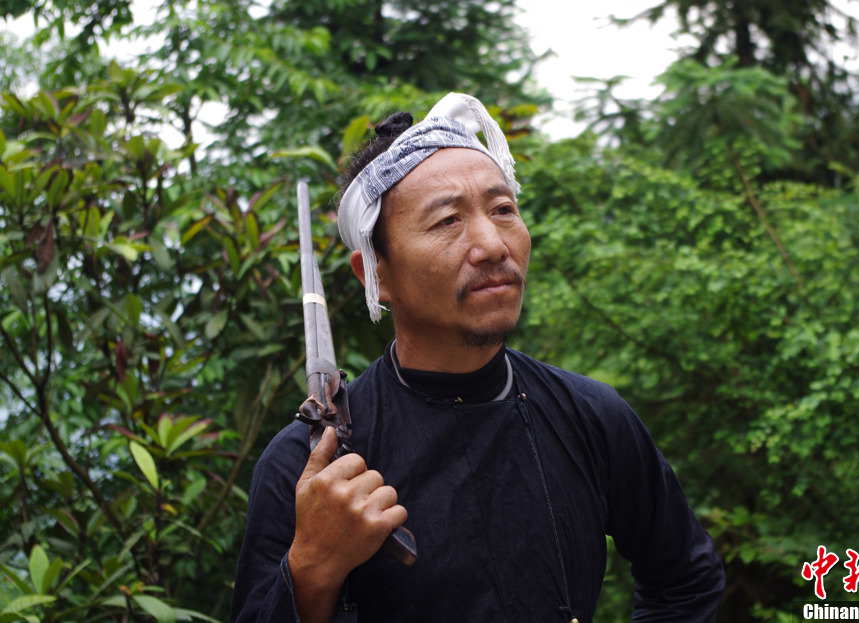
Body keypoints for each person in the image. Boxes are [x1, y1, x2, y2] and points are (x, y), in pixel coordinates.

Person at [231, 93, 725, 623]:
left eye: (503, 210)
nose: (493, 244)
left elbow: (686, 582)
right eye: (447, 221)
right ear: (376, 274)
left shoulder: (591, 417)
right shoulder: (311, 468)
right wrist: (310, 567)